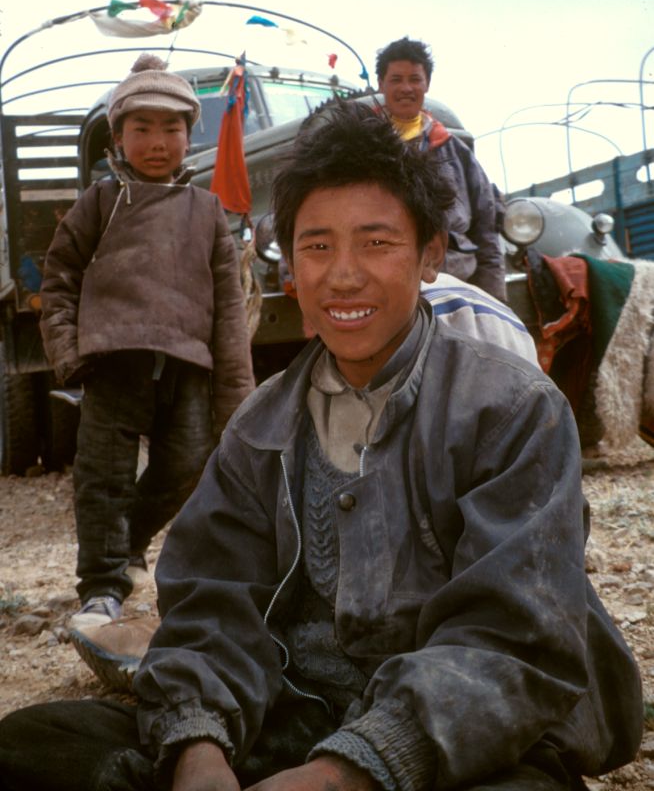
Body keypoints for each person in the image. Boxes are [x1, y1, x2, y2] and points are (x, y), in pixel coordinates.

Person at [0, 103, 642, 791]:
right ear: (289, 265)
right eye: (316, 246)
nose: (342, 275)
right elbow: (212, 606)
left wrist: (345, 775)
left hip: (454, 742)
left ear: (430, 254)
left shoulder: (512, 409)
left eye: (375, 243)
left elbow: (513, 642)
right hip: (295, 720)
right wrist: (199, 749)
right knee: (34, 743)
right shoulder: (262, 426)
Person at [38, 53, 255, 630]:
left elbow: (229, 308)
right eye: (142, 129)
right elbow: (58, 281)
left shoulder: (206, 211)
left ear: (189, 135)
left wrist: (235, 395)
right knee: (103, 478)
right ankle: (103, 588)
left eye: (171, 128)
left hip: (186, 366)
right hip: (113, 364)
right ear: (118, 136)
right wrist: (68, 353)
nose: (157, 142)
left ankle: (127, 545)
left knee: (186, 465)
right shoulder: (100, 204)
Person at [376, 36, 506, 301]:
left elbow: (486, 227)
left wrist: (495, 299)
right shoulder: (360, 146)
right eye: (396, 79)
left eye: (415, 79)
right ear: (381, 84)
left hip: (454, 285)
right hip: (384, 287)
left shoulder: (456, 151)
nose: (406, 88)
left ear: (427, 84)